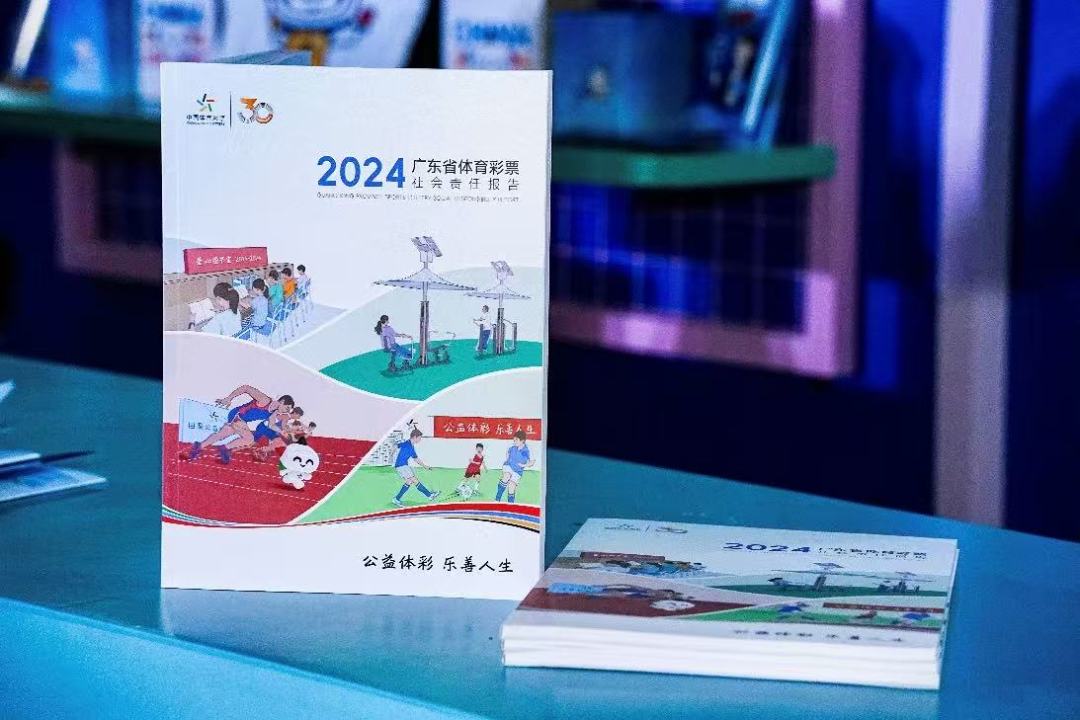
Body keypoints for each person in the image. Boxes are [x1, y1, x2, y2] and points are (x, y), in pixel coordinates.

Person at [391, 427, 440, 507]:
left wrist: (425, 466)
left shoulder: (412, 447)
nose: (420, 440)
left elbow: (416, 458)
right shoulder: (406, 443)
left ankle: (396, 499)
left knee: (409, 482)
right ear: (415, 437)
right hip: (400, 465)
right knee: (414, 480)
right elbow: (396, 446)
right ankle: (429, 495)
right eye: (419, 438)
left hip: (404, 465)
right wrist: (392, 455)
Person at [496, 430, 534, 503]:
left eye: (516, 440)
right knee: (506, 476)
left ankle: (511, 505)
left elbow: (532, 462)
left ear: (522, 441)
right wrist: (507, 459)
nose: (514, 442)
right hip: (509, 466)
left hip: (517, 471)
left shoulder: (526, 450)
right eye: (514, 440)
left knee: (511, 486)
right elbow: (508, 451)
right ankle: (497, 498)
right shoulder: (513, 447)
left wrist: (524, 465)